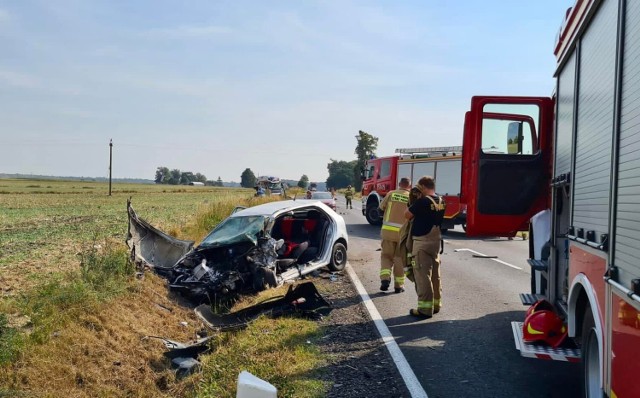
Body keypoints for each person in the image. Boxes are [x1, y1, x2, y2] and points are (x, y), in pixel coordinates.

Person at [404, 176, 446, 319]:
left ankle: (424, 309)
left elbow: (407, 215)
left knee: (422, 276)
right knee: (435, 275)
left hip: (422, 243)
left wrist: (413, 202)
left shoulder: (422, 202)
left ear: (423, 186)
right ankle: (436, 304)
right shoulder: (441, 201)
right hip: (435, 242)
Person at [378, 177, 411, 293]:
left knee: (386, 256)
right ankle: (398, 286)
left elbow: (380, 209)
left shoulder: (391, 194)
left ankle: (385, 279)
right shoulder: (411, 197)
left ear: (399, 184)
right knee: (400, 259)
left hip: (387, 232)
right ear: (409, 186)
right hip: (402, 235)